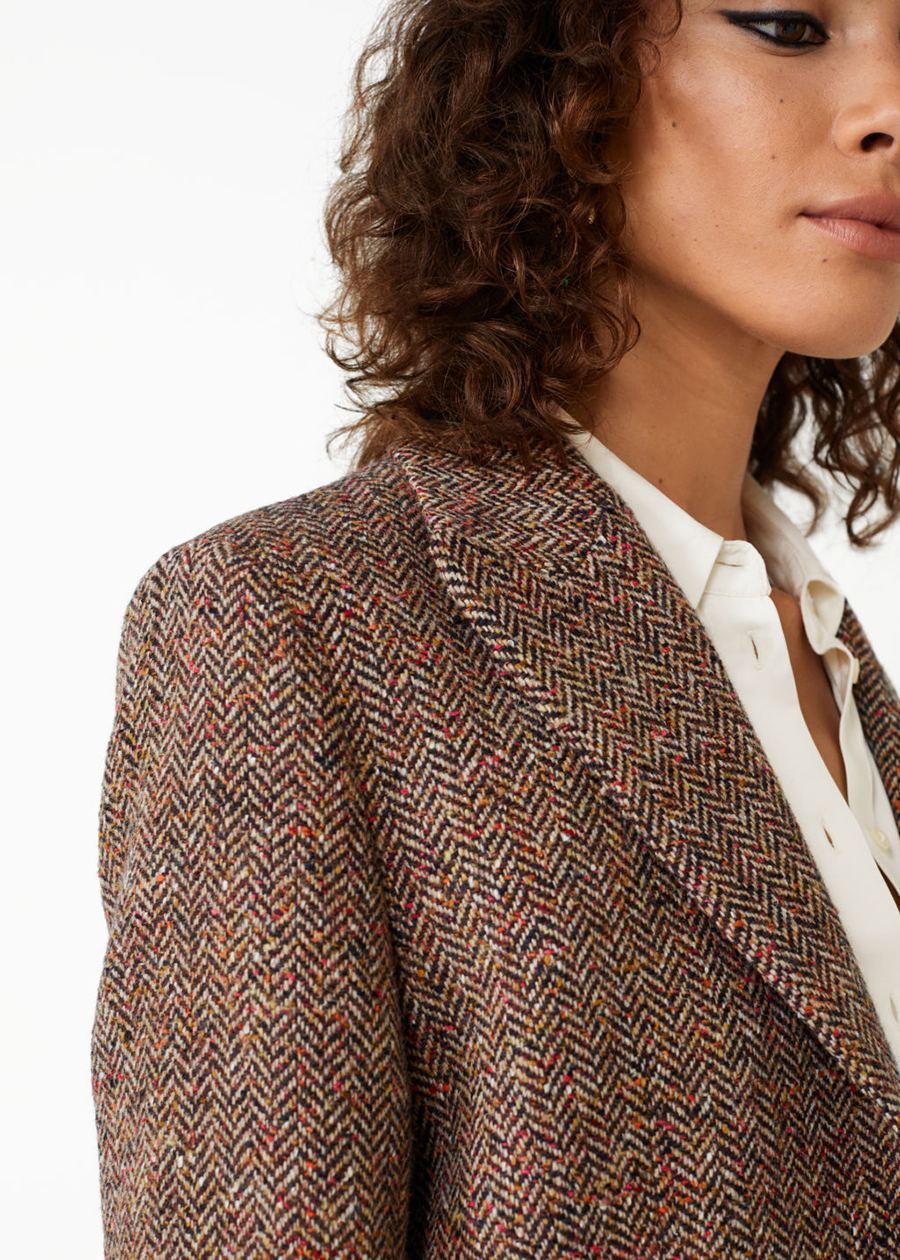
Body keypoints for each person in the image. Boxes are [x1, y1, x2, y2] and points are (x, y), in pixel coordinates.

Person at [91, 0, 900, 1253]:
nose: (890, 109)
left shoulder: (830, 655)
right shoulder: (292, 627)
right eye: (788, 25)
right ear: (557, 79)